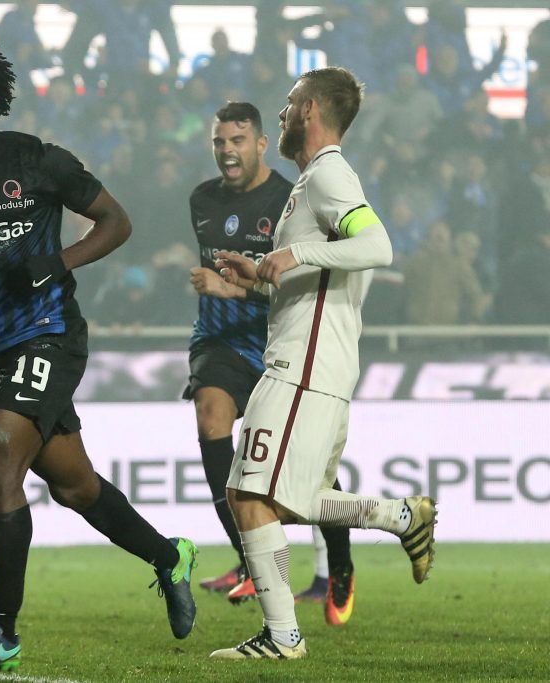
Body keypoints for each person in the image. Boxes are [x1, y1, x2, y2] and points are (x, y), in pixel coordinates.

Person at [0, 35, 197, 672]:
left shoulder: (36, 159)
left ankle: (0, 631)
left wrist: (58, 261)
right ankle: (170, 557)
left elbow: (115, 221)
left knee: (0, 460)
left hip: (52, 334)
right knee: (76, 487)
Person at [209, 67, 437, 660]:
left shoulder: (330, 173)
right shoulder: (312, 180)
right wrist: (254, 283)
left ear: (310, 109)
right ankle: (399, 515)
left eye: (288, 104)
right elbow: (319, 279)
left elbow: (378, 246)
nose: (281, 114)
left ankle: (283, 637)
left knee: (248, 494)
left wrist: (291, 251)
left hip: (303, 370)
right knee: (280, 499)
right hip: (312, 364)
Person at [185, 101, 357, 625]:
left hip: (278, 342)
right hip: (217, 341)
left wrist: (236, 291)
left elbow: (303, 287)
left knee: (308, 468)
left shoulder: (289, 198)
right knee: (211, 417)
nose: (227, 151)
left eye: (237, 141)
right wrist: (220, 296)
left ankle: (341, 565)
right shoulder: (201, 200)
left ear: (261, 144)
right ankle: (247, 558)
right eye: (219, 142)